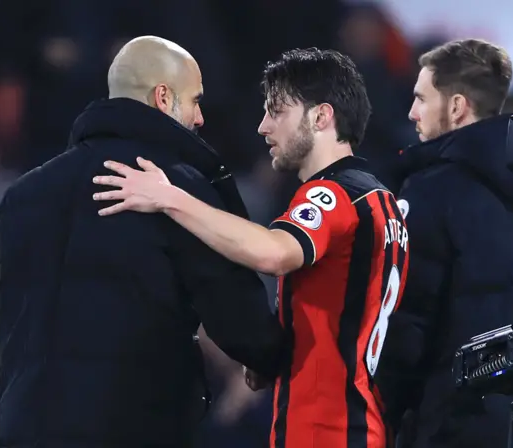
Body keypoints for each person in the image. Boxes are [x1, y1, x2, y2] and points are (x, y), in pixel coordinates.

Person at [0, 36, 285, 448]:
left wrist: (32, 385)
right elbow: (237, 313)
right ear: (163, 97)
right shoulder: (171, 190)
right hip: (135, 426)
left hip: (25, 428)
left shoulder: (24, 192)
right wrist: (269, 357)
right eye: (194, 100)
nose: (201, 117)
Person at [93, 47, 410, 448]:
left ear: (321, 117)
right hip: (361, 423)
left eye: (277, 111)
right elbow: (340, 307)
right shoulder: (382, 201)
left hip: (325, 431)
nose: (263, 126)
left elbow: (273, 253)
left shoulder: (333, 195)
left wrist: (168, 197)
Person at [373, 38, 513, 448]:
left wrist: (385, 417)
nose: (412, 113)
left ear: (456, 107)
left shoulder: (431, 190)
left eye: (420, 98)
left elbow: (408, 328)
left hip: (455, 424)